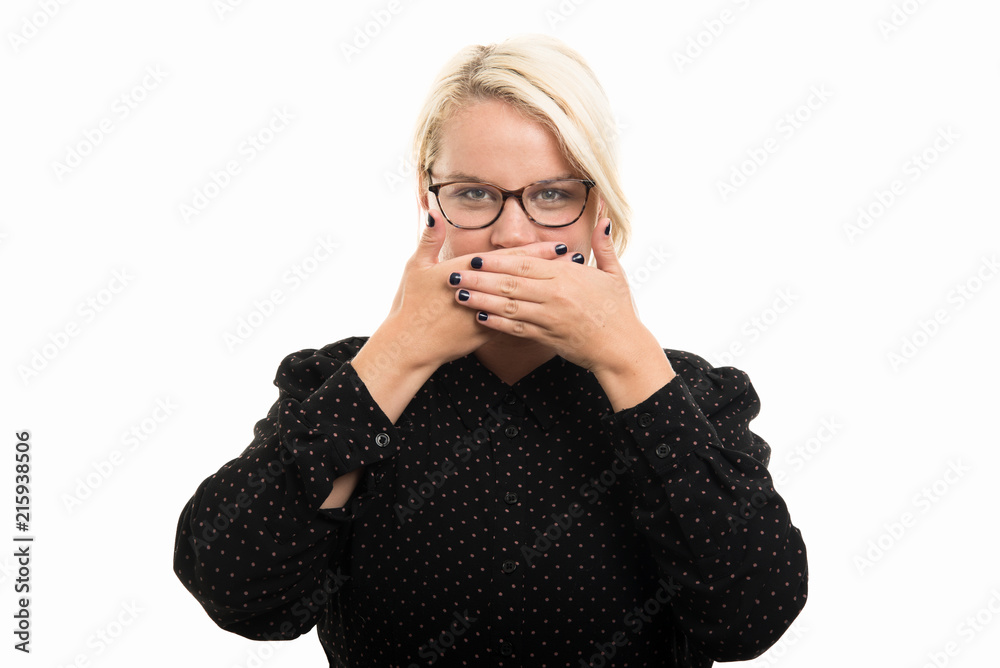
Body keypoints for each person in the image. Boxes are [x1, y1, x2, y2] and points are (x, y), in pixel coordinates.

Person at [173, 33, 808, 667]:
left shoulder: (688, 393)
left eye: (554, 194)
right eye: (474, 194)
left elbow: (749, 619)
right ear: (429, 203)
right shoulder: (338, 382)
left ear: (601, 209)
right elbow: (239, 596)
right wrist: (397, 353)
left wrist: (627, 357)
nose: (510, 233)